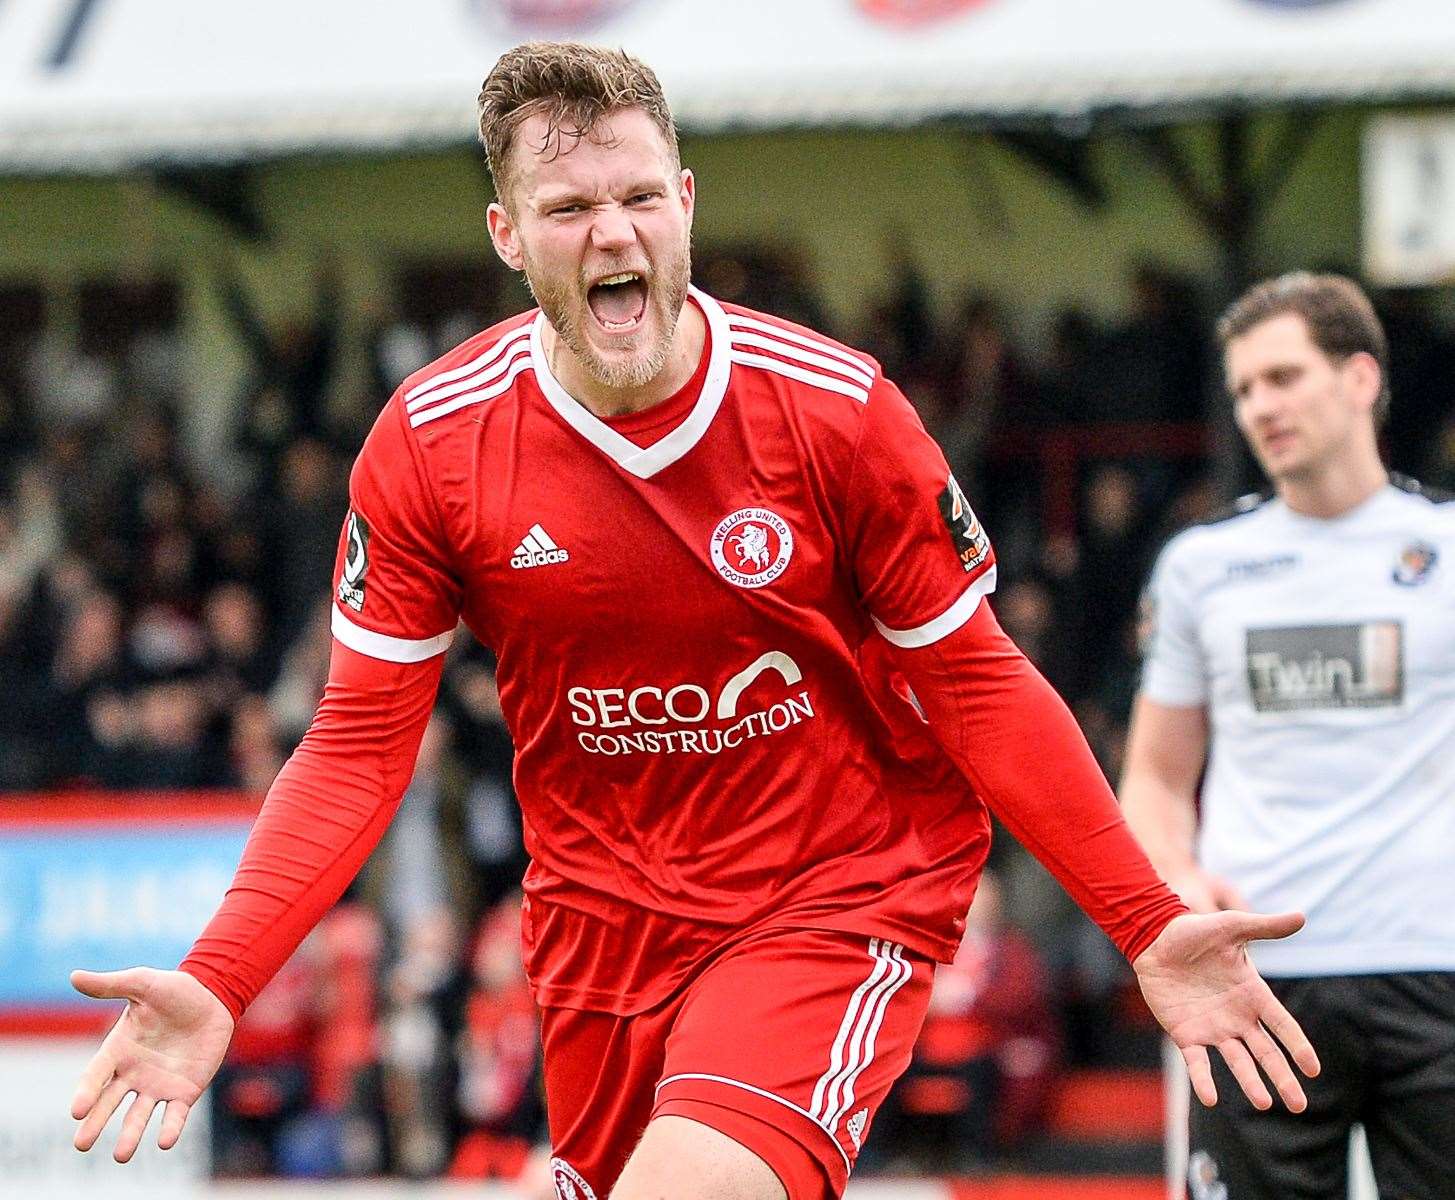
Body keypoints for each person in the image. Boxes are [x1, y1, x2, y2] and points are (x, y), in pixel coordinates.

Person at [69, 44, 1318, 1200]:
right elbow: (355, 745)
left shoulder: (836, 416)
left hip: (834, 890)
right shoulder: (434, 443)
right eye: (568, 211)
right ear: (509, 237)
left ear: (686, 203)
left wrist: (1145, 922)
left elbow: (978, 684)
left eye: (641, 198)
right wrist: (222, 972)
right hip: (597, 927)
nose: (612, 231)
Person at [1121, 271, 1455, 1200]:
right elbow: (1152, 775)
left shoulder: (1446, 548)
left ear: (1358, 379)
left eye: (1281, 377)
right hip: (1253, 977)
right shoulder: (1200, 565)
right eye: (1241, 390)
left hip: (1434, 961)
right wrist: (1174, 888)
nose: (1257, 406)